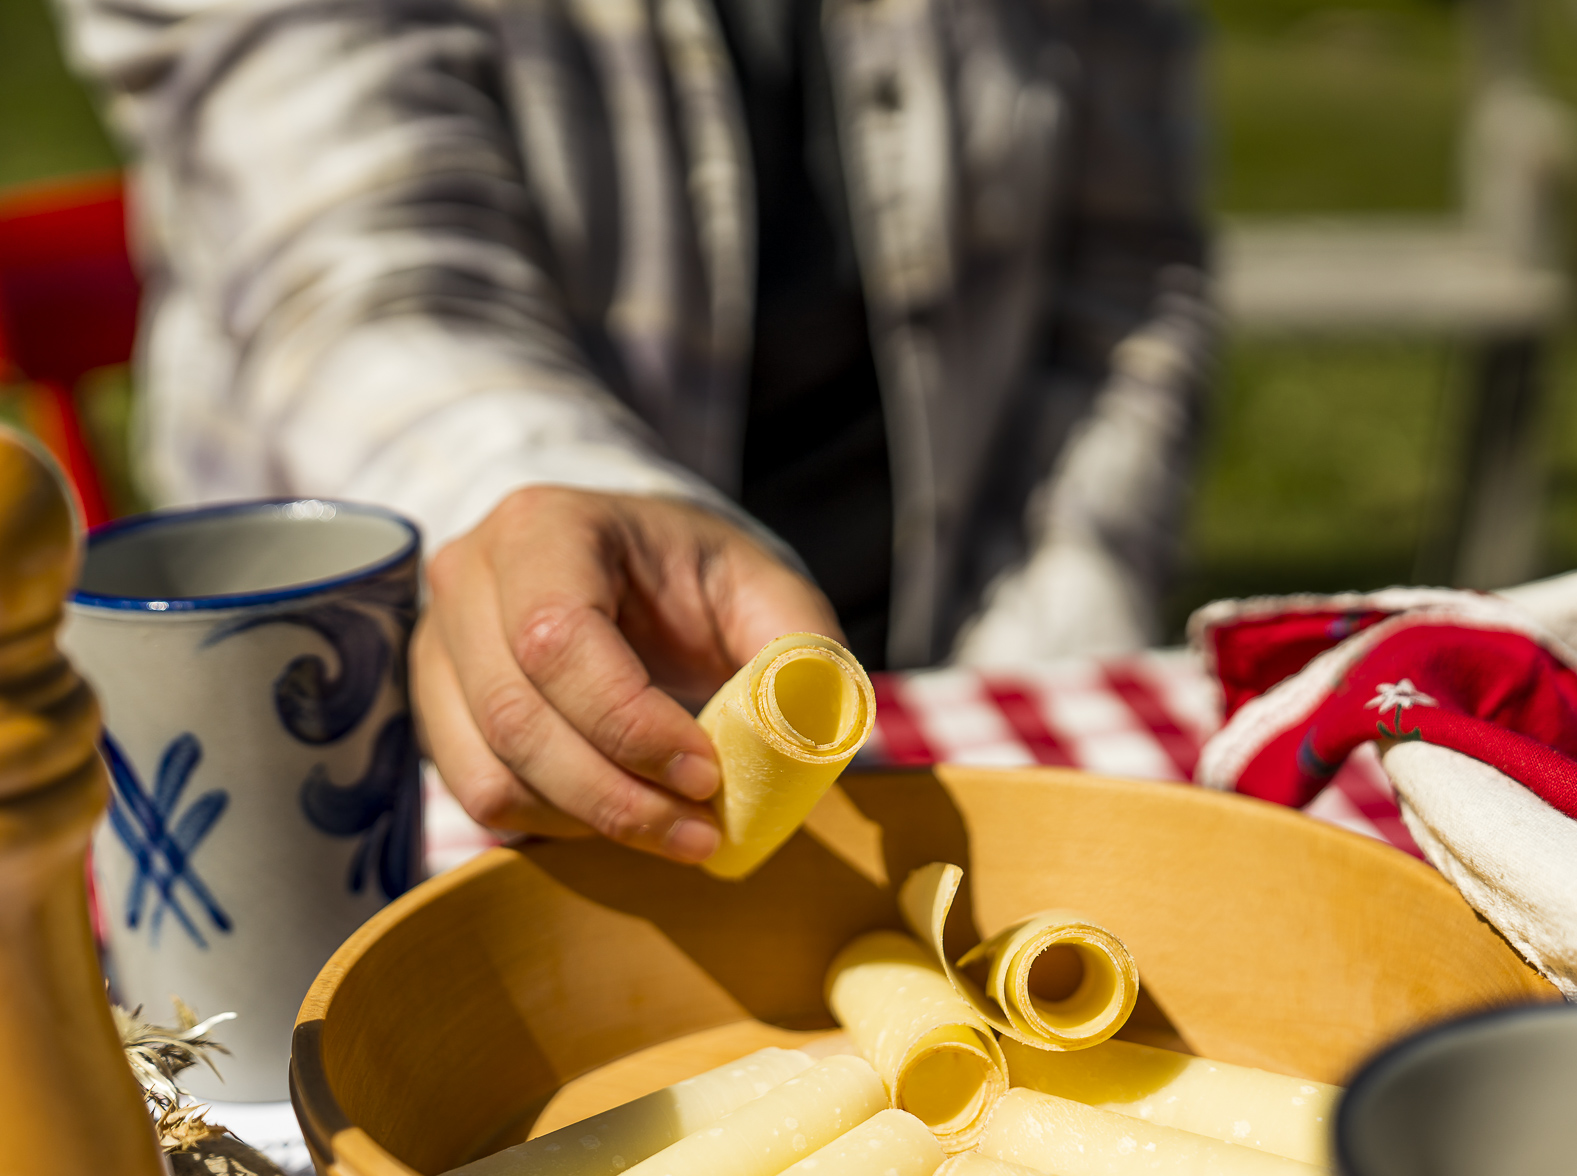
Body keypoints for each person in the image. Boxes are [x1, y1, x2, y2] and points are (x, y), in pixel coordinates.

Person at [57, 0, 1211, 862]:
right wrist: (543, 508)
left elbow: (1125, 265)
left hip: (954, 670)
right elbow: (357, 270)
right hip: (398, 747)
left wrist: (1050, 628)